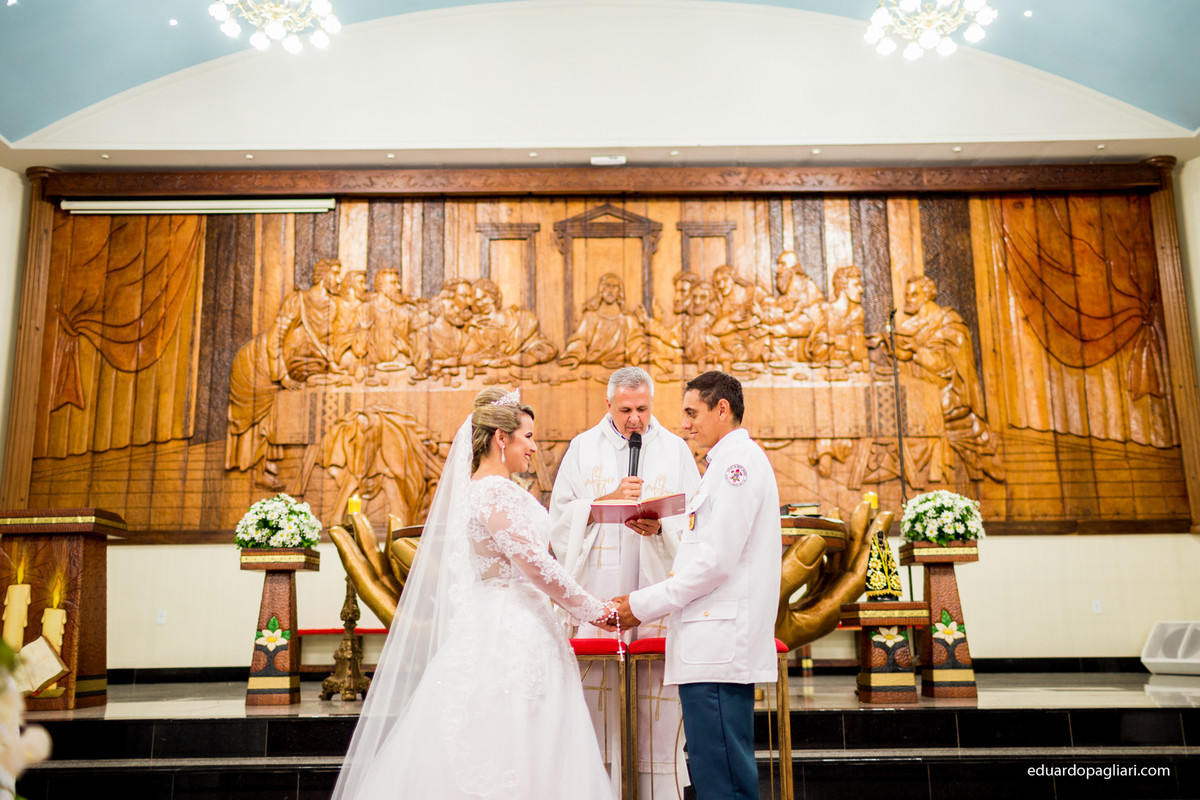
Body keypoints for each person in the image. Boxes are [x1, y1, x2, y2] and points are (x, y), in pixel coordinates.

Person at [331, 387, 618, 800]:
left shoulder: (497, 490)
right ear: (502, 439)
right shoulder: (494, 491)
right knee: (511, 737)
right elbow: (532, 564)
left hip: (516, 621)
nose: (535, 448)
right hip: (507, 630)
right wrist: (593, 609)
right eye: (528, 437)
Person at [612, 370, 782, 800]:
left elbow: (715, 562)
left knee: (723, 777)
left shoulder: (736, 466)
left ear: (721, 409)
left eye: (692, 412)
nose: (684, 423)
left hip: (718, 647)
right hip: (710, 643)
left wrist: (643, 604)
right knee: (713, 771)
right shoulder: (721, 465)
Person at [549, 366, 701, 797]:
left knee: (656, 711)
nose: (635, 419)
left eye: (643, 409)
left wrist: (662, 529)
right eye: (625, 410)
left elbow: (695, 519)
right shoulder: (582, 448)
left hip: (656, 592)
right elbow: (560, 520)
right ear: (609, 405)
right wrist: (600, 504)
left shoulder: (674, 449)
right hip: (600, 592)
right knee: (597, 708)